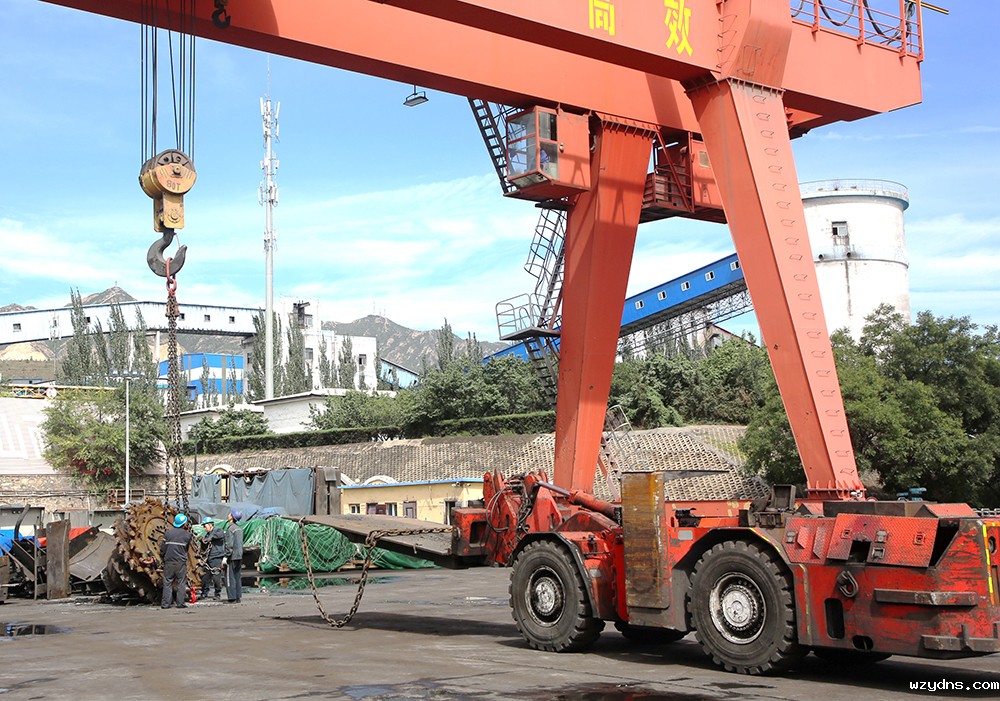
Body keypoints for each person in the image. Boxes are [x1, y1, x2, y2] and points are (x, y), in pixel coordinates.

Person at [160, 512, 192, 609]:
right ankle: (180, 603)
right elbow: (186, 549)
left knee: (167, 582)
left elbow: (162, 549)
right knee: (181, 582)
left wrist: (163, 557)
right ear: (184, 523)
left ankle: (166, 604)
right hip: (180, 562)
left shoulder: (167, 534)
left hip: (169, 562)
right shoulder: (187, 535)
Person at [198, 517, 225, 600]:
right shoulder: (207, 535)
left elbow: (220, 535)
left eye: (205, 525)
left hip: (216, 557)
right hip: (208, 558)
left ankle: (217, 593)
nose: (204, 528)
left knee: (216, 576)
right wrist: (202, 541)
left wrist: (210, 538)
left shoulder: (218, 530)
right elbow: (205, 547)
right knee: (205, 576)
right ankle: (204, 592)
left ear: (210, 524)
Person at [223, 509, 244, 603]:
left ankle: (232, 597)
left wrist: (226, 556)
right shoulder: (239, 529)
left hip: (231, 556)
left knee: (229, 577)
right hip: (239, 555)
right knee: (237, 576)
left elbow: (229, 544)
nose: (228, 515)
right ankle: (238, 596)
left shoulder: (230, 529)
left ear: (232, 517)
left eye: (229, 514)